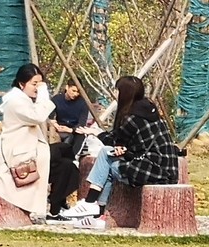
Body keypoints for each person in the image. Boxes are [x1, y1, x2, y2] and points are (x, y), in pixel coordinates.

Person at [58, 75, 179, 228]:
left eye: (117, 90)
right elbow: (131, 145)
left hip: (155, 171)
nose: (115, 94)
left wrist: (96, 133)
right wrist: (122, 149)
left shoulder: (132, 118)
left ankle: (92, 206)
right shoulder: (148, 110)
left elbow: (116, 141)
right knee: (107, 154)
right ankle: (96, 214)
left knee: (106, 156)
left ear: (125, 93)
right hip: (166, 169)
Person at [0, 63, 55, 224]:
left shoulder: (23, 99)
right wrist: (43, 93)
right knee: (22, 182)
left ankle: (37, 211)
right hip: (19, 150)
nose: (38, 88)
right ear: (22, 84)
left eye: (40, 83)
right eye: (34, 84)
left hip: (26, 149)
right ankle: (34, 212)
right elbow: (38, 116)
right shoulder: (15, 102)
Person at [47, 79, 97, 218]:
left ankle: (73, 158)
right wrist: (56, 126)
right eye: (73, 90)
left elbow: (81, 125)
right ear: (67, 88)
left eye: (78, 92)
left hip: (74, 132)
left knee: (71, 155)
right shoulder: (57, 99)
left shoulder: (82, 103)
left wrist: (70, 130)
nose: (75, 94)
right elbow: (49, 116)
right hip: (58, 131)